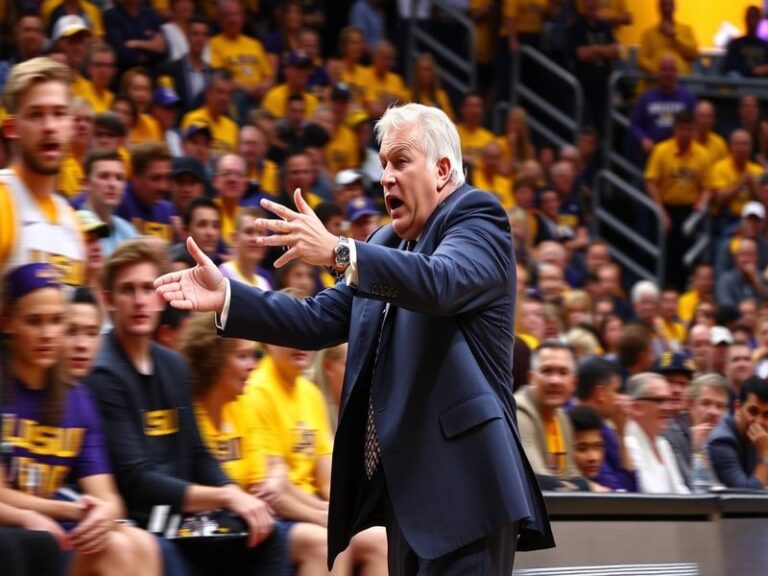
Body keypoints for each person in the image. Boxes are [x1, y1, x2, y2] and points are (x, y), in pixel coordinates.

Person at [156, 102, 553, 574]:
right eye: (383, 163)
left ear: (443, 170)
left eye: (401, 161)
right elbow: (316, 320)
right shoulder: (385, 244)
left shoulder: (477, 217)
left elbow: (440, 282)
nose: (386, 176)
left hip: (467, 485)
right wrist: (229, 298)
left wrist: (340, 251)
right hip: (409, 497)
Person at [85, 239, 284, 574]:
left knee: (271, 537)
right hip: (142, 524)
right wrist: (225, 498)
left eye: (147, 288)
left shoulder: (173, 365)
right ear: (108, 300)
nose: (139, 301)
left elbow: (198, 454)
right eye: (127, 290)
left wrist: (234, 493)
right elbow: (137, 480)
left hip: (187, 520)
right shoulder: (104, 372)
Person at [0, 263, 162, 576]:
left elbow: (108, 497)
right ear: (8, 323)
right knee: (117, 549)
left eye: (58, 321)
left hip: (56, 530)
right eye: (35, 322)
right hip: (15, 532)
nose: (48, 334)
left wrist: (103, 514)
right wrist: (70, 509)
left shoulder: (77, 397)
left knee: (141, 542)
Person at [179, 312, 329, 575]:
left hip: (249, 527)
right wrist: (323, 517)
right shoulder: (191, 413)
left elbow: (265, 486)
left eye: (253, 355)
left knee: (331, 541)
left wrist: (328, 514)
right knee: (320, 541)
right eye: (242, 356)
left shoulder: (243, 404)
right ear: (214, 359)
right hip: (205, 535)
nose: (252, 365)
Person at [0, 57, 85, 285]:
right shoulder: (3, 201)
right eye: (36, 114)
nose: (49, 126)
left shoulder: (73, 224)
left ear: (71, 125)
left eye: (59, 113)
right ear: (11, 128)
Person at [575, 357, 637, 491]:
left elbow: (632, 485)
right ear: (600, 393)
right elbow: (621, 491)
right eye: (616, 391)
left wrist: (621, 433)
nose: (620, 399)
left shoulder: (605, 427)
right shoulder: (575, 424)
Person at [624, 372, 690, 494]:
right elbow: (647, 493)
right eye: (659, 401)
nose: (667, 408)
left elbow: (681, 491)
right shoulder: (628, 444)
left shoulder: (663, 444)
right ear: (636, 407)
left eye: (668, 400)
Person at [708, 375, 768, 489]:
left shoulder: (761, 438)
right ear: (738, 408)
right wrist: (765, 455)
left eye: (766, 415)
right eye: (753, 411)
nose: (759, 422)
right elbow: (745, 497)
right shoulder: (721, 441)